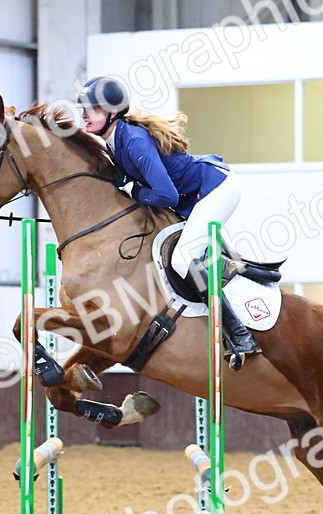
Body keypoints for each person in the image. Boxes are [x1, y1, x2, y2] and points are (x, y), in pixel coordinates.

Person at [76, 76, 259, 370]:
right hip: (192, 195)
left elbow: (165, 193)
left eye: (92, 109)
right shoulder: (114, 139)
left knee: (183, 258)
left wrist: (134, 190)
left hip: (215, 189)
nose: (84, 114)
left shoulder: (132, 139)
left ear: (112, 112)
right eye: (82, 108)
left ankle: (240, 335)